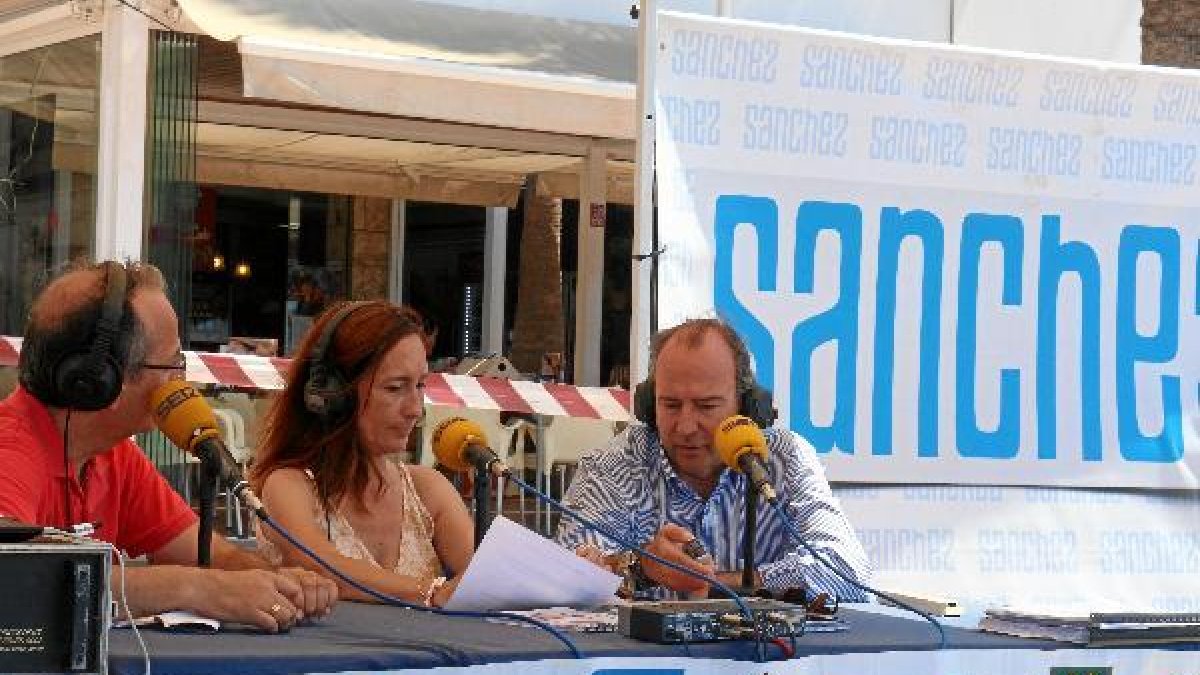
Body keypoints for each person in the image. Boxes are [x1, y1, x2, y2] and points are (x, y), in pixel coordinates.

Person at [0, 261, 338, 632]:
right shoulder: (9, 450)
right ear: (100, 381)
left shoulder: (113, 452)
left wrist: (277, 582)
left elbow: (201, 551)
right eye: (173, 362)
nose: (181, 378)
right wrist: (196, 589)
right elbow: (18, 579)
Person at [556, 318, 872, 601]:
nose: (686, 426)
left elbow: (847, 571)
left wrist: (715, 585)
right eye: (670, 405)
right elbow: (568, 574)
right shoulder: (613, 465)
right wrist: (642, 568)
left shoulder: (785, 458)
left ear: (747, 407)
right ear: (648, 407)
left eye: (706, 406)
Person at [251, 300, 473, 607]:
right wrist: (430, 593)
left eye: (420, 385)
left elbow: (481, 581)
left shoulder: (429, 490)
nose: (415, 409)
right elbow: (319, 566)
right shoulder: (289, 486)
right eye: (395, 388)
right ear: (331, 395)